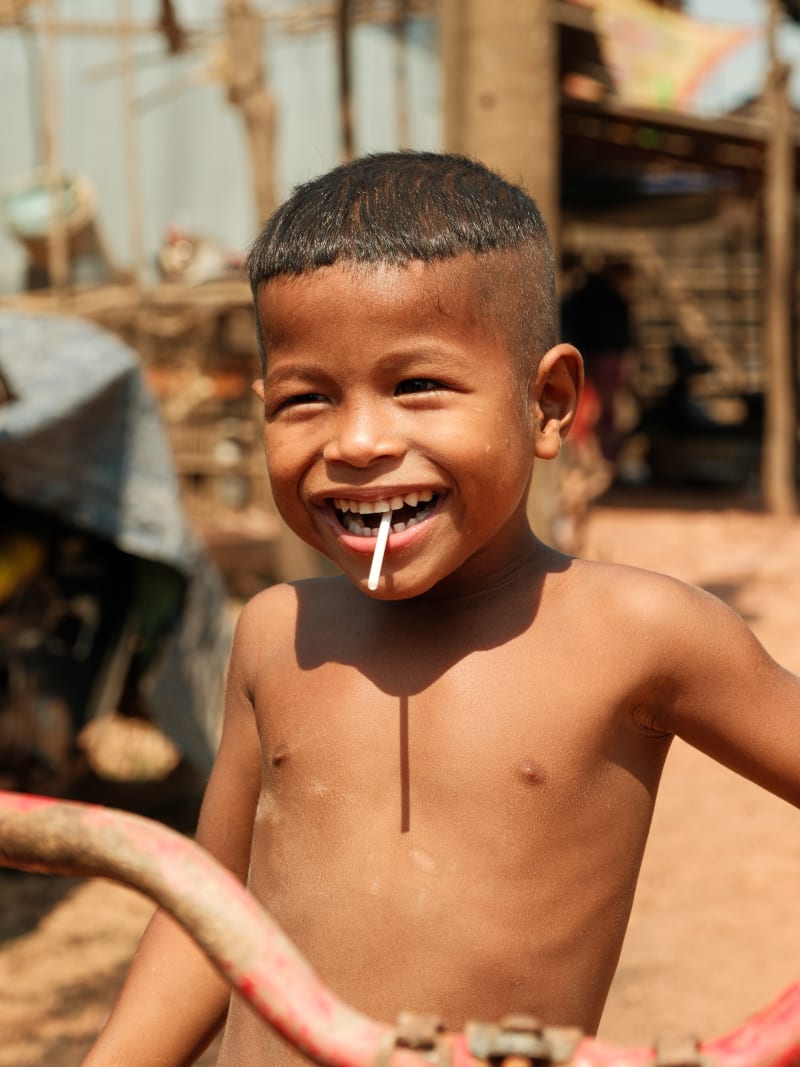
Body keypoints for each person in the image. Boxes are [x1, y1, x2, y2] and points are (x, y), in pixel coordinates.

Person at [81, 152, 800, 1067]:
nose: (359, 442)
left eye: (416, 386)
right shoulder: (276, 633)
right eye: (306, 399)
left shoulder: (637, 633)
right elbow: (208, 912)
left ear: (547, 404)